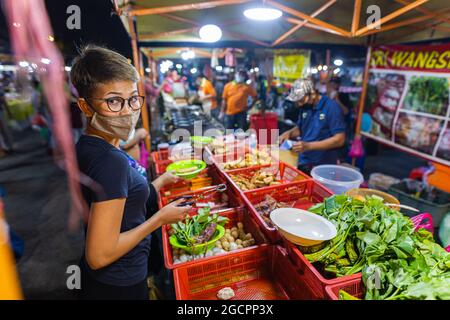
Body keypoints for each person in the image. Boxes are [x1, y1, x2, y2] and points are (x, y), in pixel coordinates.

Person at [71, 45, 191, 300]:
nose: (128, 110)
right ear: (85, 106)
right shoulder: (109, 160)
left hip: (106, 281)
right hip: (119, 283)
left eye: (133, 98)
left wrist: (159, 181)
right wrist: (159, 219)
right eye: (113, 101)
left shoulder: (90, 146)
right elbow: (99, 255)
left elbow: (122, 201)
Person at [279, 78, 346, 175]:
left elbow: (340, 139)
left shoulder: (331, 107)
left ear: (313, 94)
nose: (299, 104)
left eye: (301, 100)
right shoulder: (306, 107)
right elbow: (301, 128)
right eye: (297, 101)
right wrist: (288, 133)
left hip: (322, 165)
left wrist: (309, 146)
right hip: (304, 161)